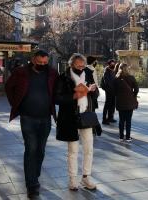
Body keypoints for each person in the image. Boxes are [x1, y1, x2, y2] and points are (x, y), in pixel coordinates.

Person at [5, 50, 58, 199]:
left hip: (45, 118)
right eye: (39, 62)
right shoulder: (21, 72)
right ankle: (32, 185)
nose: (42, 65)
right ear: (33, 60)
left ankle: (34, 174)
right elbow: (9, 87)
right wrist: (15, 104)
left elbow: (58, 91)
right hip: (28, 118)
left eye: (45, 63)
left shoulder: (52, 73)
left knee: (40, 150)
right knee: (31, 149)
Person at [55, 53, 98, 191]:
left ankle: (86, 177)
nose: (81, 67)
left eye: (83, 65)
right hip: (70, 118)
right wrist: (78, 93)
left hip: (86, 115)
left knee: (89, 149)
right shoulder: (63, 77)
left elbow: (95, 95)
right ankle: (73, 180)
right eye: (78, 65)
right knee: (73, 151)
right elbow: (58, 98)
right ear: (71, 64)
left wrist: (93, 90)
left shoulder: (88, 73)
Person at [114, 63, 139, 142]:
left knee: (121, 120)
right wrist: (133, 95)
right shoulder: (131, 78)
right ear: (127, 69)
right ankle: (128, 137)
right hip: (129, 102)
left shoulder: (117, 79)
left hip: (120, 101)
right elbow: (137, 89)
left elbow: (113, 90)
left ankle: (121, 137)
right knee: (128, 120)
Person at [86, 56, 102, 136]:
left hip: (86, 93)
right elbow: (95, 82)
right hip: (92, 92)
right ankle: (93, 128)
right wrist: (97, 91)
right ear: (93, 62)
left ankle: (90, 127)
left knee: (88, 110)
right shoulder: (92, 69)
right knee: (92, 110)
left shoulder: (84, 68)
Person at [102, 59, 117, 125]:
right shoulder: (106, 71)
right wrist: (111, 88)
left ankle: (110, 117)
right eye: (112, 64)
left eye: (114, 63)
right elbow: (107, 81)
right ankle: (104, 119)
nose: (113, 65)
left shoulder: (113, 71)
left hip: (113, 90)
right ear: (109, 64)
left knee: (113, 104)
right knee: (107, 104)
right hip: (109, 90)